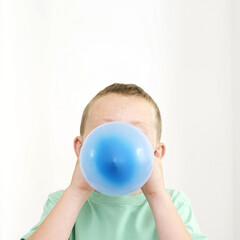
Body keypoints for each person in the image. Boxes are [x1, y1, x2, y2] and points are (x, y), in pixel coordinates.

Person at [21, 83, 207, 240]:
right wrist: (77, 191)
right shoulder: (62, 202)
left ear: (157, 153)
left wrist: (157, 195)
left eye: (136, 133)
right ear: (81, 148)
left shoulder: (174, 203)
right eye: (107, 129)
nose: (120, 146)